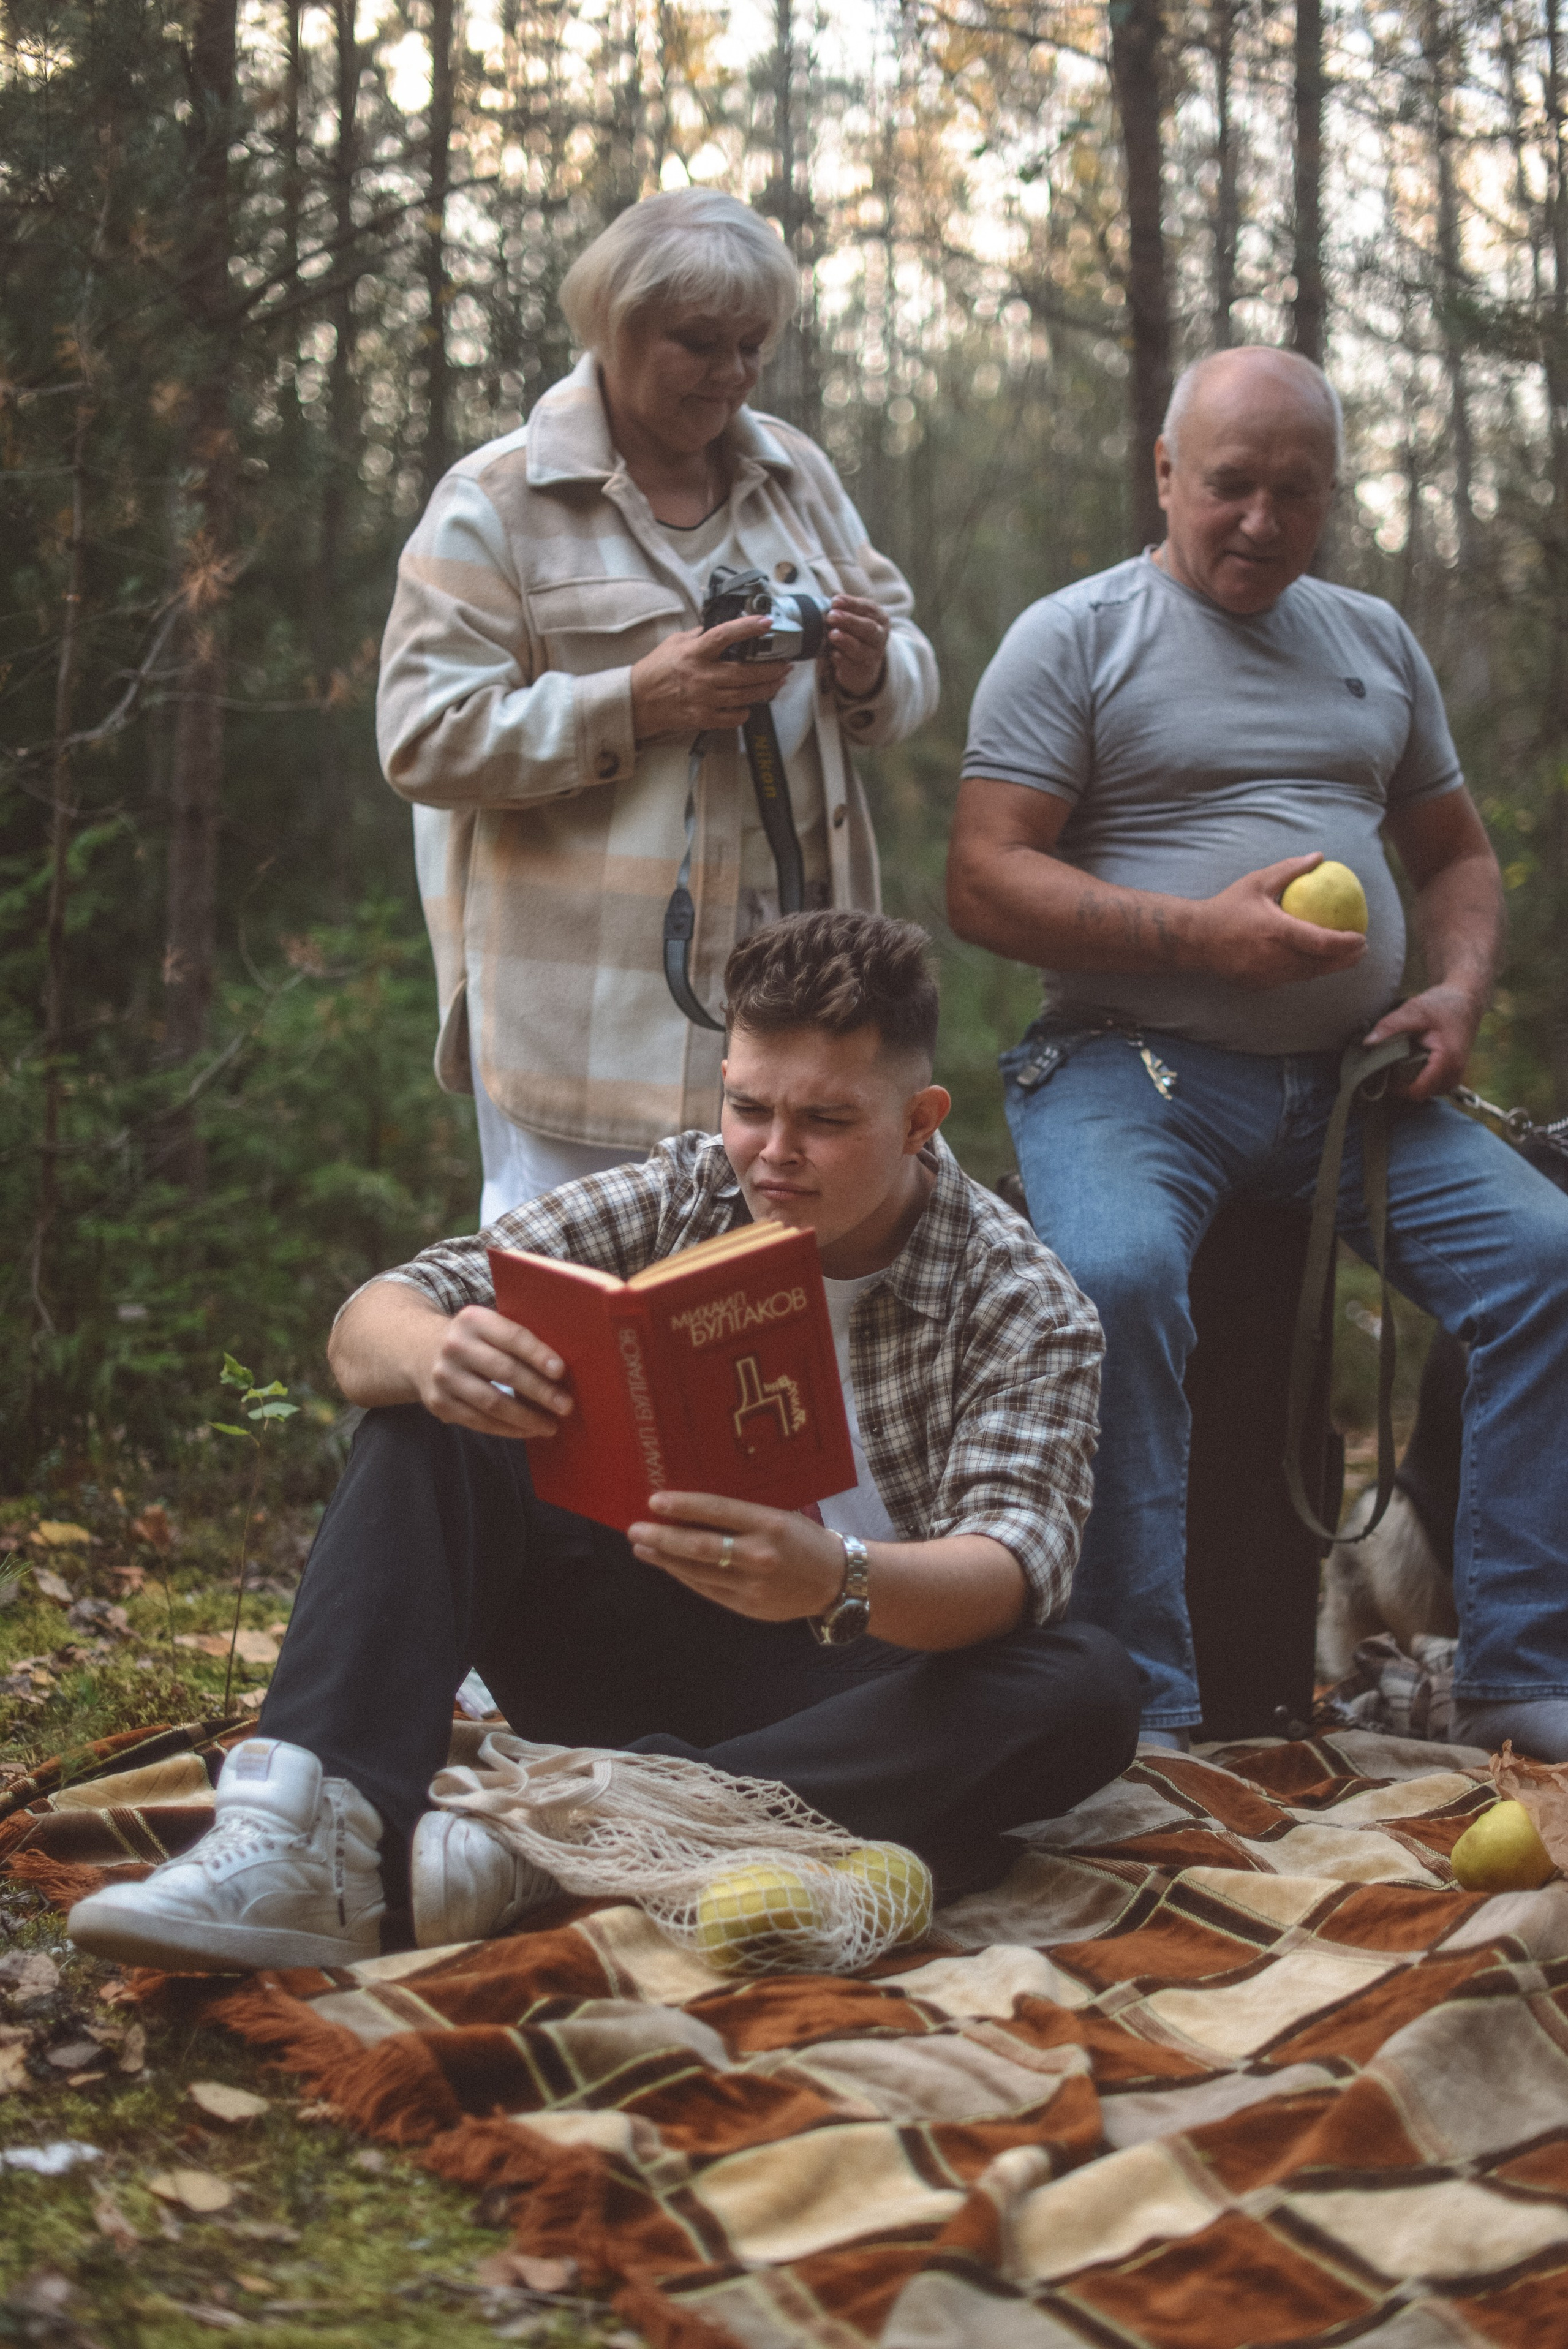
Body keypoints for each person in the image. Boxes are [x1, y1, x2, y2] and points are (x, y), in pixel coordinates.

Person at [67, 912, 1140, 1975]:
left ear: (919, 1121)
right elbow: (374, 1319)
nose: (775, 1154)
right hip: (637, 1632)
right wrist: (439, 1351)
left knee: (1085, 1687)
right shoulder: (692, 1190)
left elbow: (1012, 1566)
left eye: (825, 1120)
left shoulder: (1021, 1298)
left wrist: (833, 1579)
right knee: (436, 1408)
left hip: (853, 1700)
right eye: (749, 1107)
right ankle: (309, 1832)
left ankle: (565, 1840)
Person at [947, 343, 1568, 1760]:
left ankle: (1517, 1666)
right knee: (1111, 1279)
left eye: (1296, 493)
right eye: (1229, 486)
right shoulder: (1076, 635)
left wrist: (1455, 991)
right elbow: (982, 877)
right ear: (1163, 474)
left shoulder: (1369, 638)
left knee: (1543, 1262)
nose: (1260, 522)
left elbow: (1455, 857)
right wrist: (1193, 937)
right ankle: (1143, 1706)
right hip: (1128, 1070)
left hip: (1360, 1086)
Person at [378, 189, 938, 1226]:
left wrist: (868, 671)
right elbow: (424, 739)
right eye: (699, 343)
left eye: (752, 347)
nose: (731, 375)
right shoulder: (497, 500)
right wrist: (638, 702)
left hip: (799, 1017)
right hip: (585, 1029)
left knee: (781, 1315)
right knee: (579, 1329)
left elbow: (909, 659)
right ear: (616, 327)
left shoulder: (797, 477)